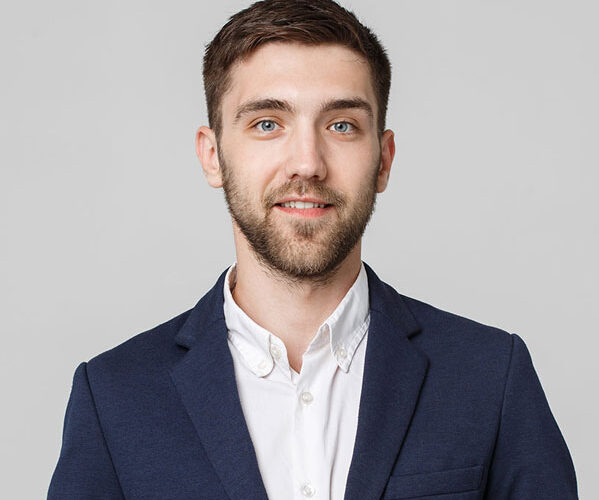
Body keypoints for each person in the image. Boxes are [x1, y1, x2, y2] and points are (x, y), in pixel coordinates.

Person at [48, 0, 578, 498]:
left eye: (341, 125)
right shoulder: (114, 397)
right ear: (212, 156)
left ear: (384, 159)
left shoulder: (490, 376)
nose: (307, 163)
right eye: (267, 124)